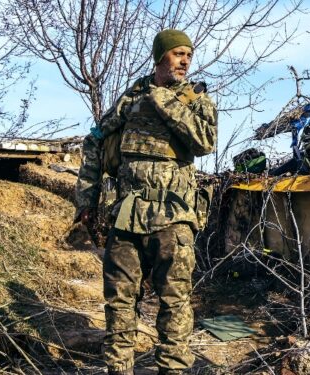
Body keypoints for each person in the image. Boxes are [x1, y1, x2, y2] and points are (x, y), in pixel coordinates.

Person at [75, 29, 217, 375]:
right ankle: (118, 369)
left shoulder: (195, 100)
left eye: (188, 55)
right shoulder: (132, 97)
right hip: (127, 216)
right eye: (177, 54)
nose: (184, 61)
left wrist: (164, 101)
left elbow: (204, 141)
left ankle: (172, 369)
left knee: (174, 303)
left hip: (173, 217)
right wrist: (86, 199)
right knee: (119, 302)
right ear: (160, 57)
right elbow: (95, 140)